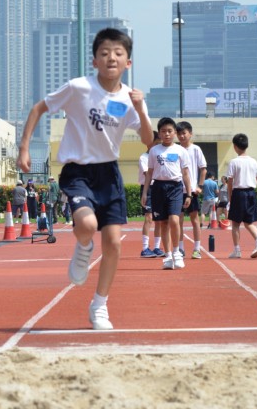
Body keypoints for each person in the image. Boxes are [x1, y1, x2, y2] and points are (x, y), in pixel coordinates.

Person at [18, 27, 153, 331]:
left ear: (128, 62)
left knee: (114, 242)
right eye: (104, 53)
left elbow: (147, 139)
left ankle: (100, 305)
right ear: (94, 60)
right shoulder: (79, 88)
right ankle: (82, 247)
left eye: (118, 53)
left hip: (109, 173)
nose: (111, 58)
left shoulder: (131, 98)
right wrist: (24, 147)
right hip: (78, 170)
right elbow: (39, 108)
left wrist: (141, 109)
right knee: (88, 226)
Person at [142, 117, 191, 270]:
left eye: (170, 131)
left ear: (175, 133)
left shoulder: (180, 151)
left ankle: (177, 253)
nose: (167, 134)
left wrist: (188, 193)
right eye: (163, 131)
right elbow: (149, 173)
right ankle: (168, 255)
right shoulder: (154, 151)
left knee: (174, 220)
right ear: (160, 133)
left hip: (175, 187)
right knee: (162, 223)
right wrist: (145, 193)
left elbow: (185, 174)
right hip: (157, 188)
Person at [226, 133, 257, 259]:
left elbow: (230, 181)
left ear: (235, 146)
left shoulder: (234, 162)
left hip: (239, 193)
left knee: (235, 223)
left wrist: (230, 197)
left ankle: (237, 250)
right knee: (248, 222)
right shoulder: (253, 161)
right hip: (251, 193)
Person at [176, 121, 207, 259]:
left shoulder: (196, 149)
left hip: (192, 191)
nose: (181, 136)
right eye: (179, 133)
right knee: (179, 221)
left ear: (190, 134)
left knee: (194, 220)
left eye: (184, 133)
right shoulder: (175, 150)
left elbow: (203, 169)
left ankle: (197, 249)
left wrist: (199, 186)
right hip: (177, 190)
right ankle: (181, 248)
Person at [138, 131, 162, 257]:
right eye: (156, 143)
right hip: (148, 188)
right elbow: (148, 174)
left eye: (159, 143)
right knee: (149, 218)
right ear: (148, 144)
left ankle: (157, 247)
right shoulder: (144, 157)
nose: (158, 146)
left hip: (159, 187)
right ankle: (145, 248)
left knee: (159, 219)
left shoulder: (159, 157)